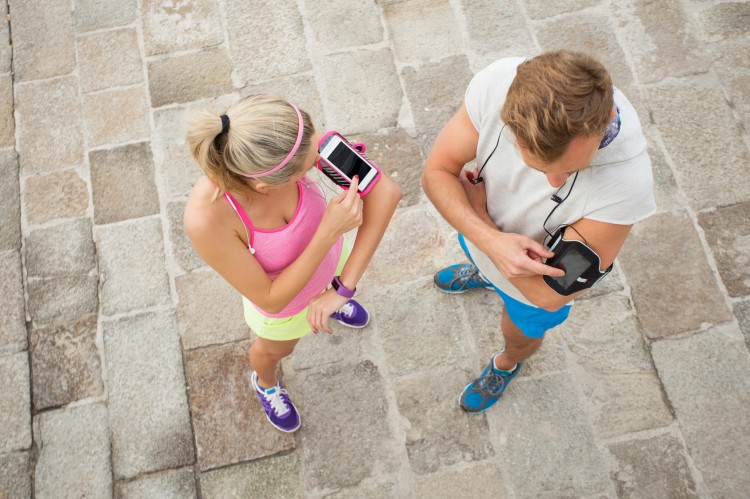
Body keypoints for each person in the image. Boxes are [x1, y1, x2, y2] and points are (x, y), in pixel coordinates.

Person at [421, 50, 655, 413]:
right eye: (539, 167)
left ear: (607, 117)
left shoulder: (626, 186)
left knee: (520, 332)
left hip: (524, 284)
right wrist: (489, 243)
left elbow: (548, 295)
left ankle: (507, 363)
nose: (554, 182)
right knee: (485, 260)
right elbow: (436, 172)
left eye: (569, 171)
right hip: (486, 240)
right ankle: (485, 272)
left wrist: (481, 222)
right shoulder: (499, 80)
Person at [184, 94, 402, 432]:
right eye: (310, 165)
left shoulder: (287, 140)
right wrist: (327, 232)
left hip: (332, 272)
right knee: (273, 353)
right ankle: (266, 384)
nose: (322, 153)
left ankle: (332, 305)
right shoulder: (206, 220)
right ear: (264, 185)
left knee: (332, 290)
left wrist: (341, 289)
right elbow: (271, 298)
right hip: (286, 310)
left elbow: (386, 193)